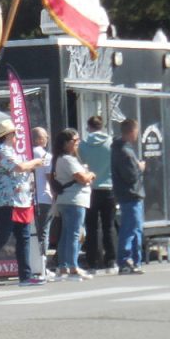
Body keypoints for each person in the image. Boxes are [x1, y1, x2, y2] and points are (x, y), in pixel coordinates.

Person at [0, 120, 46, 286]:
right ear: (9, 135)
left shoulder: (7, 150)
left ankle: (25, 275)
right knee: (2, 237)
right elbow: (19, 167)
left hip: (19, 200)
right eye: (15, 133)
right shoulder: (0, 150)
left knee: (22, 237)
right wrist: (36, 163)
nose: (17, 137)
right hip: (7, 200)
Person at [52, 128, 96, 280]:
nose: (77, 143)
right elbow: (82, 178)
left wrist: (86, 174)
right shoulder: (67, 159)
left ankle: (64, 266)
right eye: (75, 141)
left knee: (67, 233)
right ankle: (72, 266)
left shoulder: (62, 158)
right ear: (65, 143)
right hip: (74, 200)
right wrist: (90, 174)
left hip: (68, 199)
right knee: (75, 234)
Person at [78, 116, 116, 273]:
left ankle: (92, 262)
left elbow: (80, 164)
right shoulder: (111, 143)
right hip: (109, 188)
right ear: (102, 126)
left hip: (90, 188)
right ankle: (111, 260)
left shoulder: (83, 145)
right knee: (109, 226)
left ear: (89, 127)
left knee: (91, 227)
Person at [112, 118, 145, 275]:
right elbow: (130, 176)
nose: (137, 134)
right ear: (132, 131)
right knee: (130, 228)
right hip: (130, 194)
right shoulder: (124, 151)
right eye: (136, 131)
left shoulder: (121, 148)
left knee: (135, 228)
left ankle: (135, 261)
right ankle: (125, 260)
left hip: (130, 194)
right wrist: (139, 167)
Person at [29, 127, 55, 280]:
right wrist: (56, 193)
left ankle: (35, 264)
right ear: (39, 139)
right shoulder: (45, 155)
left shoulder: (26, 153)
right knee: (44, 232)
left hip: (30, 198)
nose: (47, 138)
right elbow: (49, 177)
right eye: (45, 136)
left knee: (34, 232)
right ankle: (43, 265)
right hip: (44, 197)